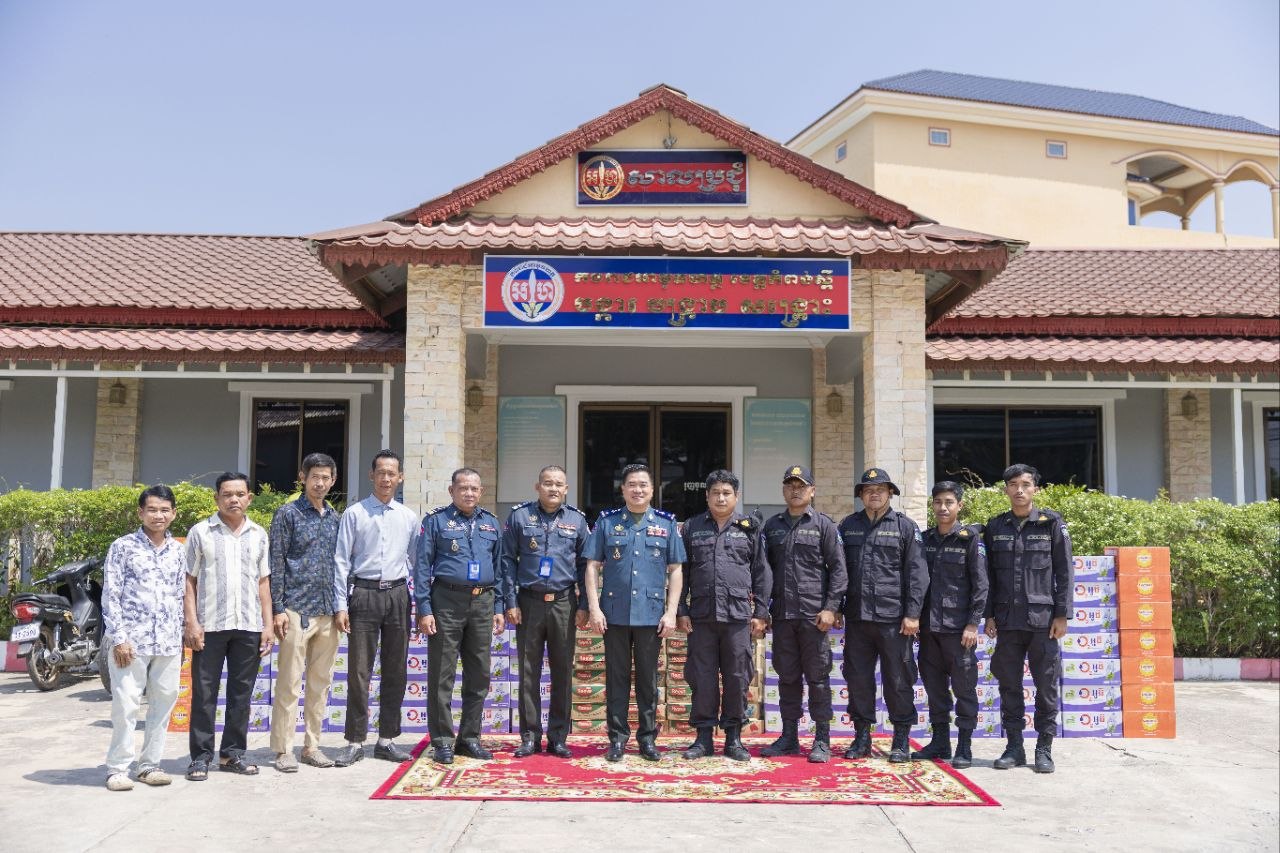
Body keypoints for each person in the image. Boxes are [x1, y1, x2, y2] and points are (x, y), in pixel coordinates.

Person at [584, 464, 685, 763]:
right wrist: (594, 608)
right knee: (616, 679)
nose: (638, 490)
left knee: (647, 681)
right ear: (623, 489)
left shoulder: (666, 523)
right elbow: (592, 566)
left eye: (643, 485)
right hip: (613, 614)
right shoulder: (607, 522)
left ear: (653, 490)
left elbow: (676, 569)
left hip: (651, 615)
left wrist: (671, 612)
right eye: (632, 484)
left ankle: (647, 739)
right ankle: (617, 739)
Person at [676, 470, 771, 762]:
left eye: (726, 493)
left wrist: (761, 612)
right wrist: (680, 609)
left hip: (737, 617)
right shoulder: (692, 527)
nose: (720, 498)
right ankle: (703, 738)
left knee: (737, 677)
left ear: (736, 497)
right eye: (715, 492)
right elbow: (682, 572)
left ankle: (734, 738)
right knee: (701, 677)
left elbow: (761, 572)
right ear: (707, 496)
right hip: (702, 617)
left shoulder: (749, 528)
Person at [332, 450, 419, 767]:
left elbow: (415, 561)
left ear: (400, 478)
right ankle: (355, 741)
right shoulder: (354, 514)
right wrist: (340, 604)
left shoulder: (408, 517)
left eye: (391, 473)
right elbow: (341, 561)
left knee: (396, 669)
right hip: (363, 595)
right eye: (380, 472)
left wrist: (417, 601)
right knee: (359, 671)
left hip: (397, 595)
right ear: (371, 475)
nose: (386, 478)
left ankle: (387, 740)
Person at [984, 463, 1073, 774]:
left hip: (1043, 621)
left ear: (1035, 488)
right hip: (1007, 621)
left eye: (1025, 484)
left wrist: (1062, 614)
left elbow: (1064, 571)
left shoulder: (1052, 524)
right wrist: (989, 614)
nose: (1019, 490)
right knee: (1009, 686)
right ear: (1006, 489)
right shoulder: (996, 526)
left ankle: (1044, 748)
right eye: (1013, 485)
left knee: (1046, 687)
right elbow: (988, 576)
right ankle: (1014, 747)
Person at [183, 472, 273, 780]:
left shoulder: (259, 534)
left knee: (241, 695)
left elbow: (263, 583)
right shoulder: (201, 532)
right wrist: (191, 622)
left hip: (248, 626)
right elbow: (189, 580)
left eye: (239, 494)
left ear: (249, 498)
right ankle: (201, 757)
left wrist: (267, 624)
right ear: (217, 498)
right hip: (209, 626)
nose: (233, 499)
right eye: (227, 494)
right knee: (204, 694)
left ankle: (232, 754)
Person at [837, 467, 929, 764]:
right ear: (861, 495)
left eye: (880, 489)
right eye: (868, 490)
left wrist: (912, 614)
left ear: (890, 493)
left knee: (898, 679)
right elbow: (837, 571)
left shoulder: (905, 527)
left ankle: (900, 738)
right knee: (858, 679)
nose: (874, 494)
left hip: (894, 621)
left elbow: (917, 574)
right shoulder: (848, 526)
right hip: (858, 618)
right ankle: (862, 737)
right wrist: (835, 607)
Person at [416, 468, 507, 765]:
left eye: (474, 489)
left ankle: (469, 738)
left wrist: (498, 607)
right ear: (451, 490)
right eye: (463, 488)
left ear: (481, 492)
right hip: (446, 601)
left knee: (479, 674)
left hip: (483, 602)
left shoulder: (491, 523)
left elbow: (500, 569)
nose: (469, 493)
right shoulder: (436, 521)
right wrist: (425, 609)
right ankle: (442, 740)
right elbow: (422, 567)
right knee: (442, 675)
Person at [101, 484, 187, 791]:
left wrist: (182, 635)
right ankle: (117, 769)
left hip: (167, 642)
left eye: (164, 510)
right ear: (140, 513)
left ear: (173, 514)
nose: (158, 516)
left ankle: (149, 765)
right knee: (126, 706)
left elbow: (182, 595)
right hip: (131, 643)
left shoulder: (179, 551)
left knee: (162, 705)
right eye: (152, 510)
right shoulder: (123, 547)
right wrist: (119, 638)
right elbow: (111, 594)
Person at [501, 465, 590, 759]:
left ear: (566, 489)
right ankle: (529, 737)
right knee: (529, 672)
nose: (553, 488)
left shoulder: (577, 520)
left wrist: (585, 605)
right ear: (537, 486)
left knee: (563, 671)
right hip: (529, 602)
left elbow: (585, 565)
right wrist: (510, 601)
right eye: (548, 483)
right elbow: (507, 560)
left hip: (564, 603)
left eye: (558, 484)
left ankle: (558, 737)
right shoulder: (519, 516)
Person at [759, 465, 847, 763]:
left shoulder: (824, 526)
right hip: (783, 616)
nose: (795, 490)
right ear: (783, 490)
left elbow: (839, 570)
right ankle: (789, 737)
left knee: (818, 679)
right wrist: (763, 609)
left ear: (812, 491)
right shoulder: (772, 526)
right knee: (787, 677)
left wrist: (831, 608)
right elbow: (764, 572)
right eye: (790, 485)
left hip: (814, 617)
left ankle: (821, 739)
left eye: (801, 486)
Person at [268, 452, 342, 772]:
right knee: (289, 682)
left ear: (333, 480)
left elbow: (341, 566)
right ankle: (283, 749)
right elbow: (276, 562)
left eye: (326, 478)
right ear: (303, 477)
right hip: (295, 609)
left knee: (320, 683)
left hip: (328, 611)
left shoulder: (335, 518)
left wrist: (341, 607)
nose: (320, 483)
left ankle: (312, 745)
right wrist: (278, 608)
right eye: (315, 477)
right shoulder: (288, 514)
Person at [913, 481, 988, 769]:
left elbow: (981, 585)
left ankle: (964, 746)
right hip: (929, 629)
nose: (943, 507)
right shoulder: (924, 540)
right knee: (935, 689)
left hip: (958, 631)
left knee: (964, 689)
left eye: (949, 502)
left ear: (959, 505)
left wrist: (973, 624)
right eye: (938, 502)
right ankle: (940, 741)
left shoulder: (970, 540)